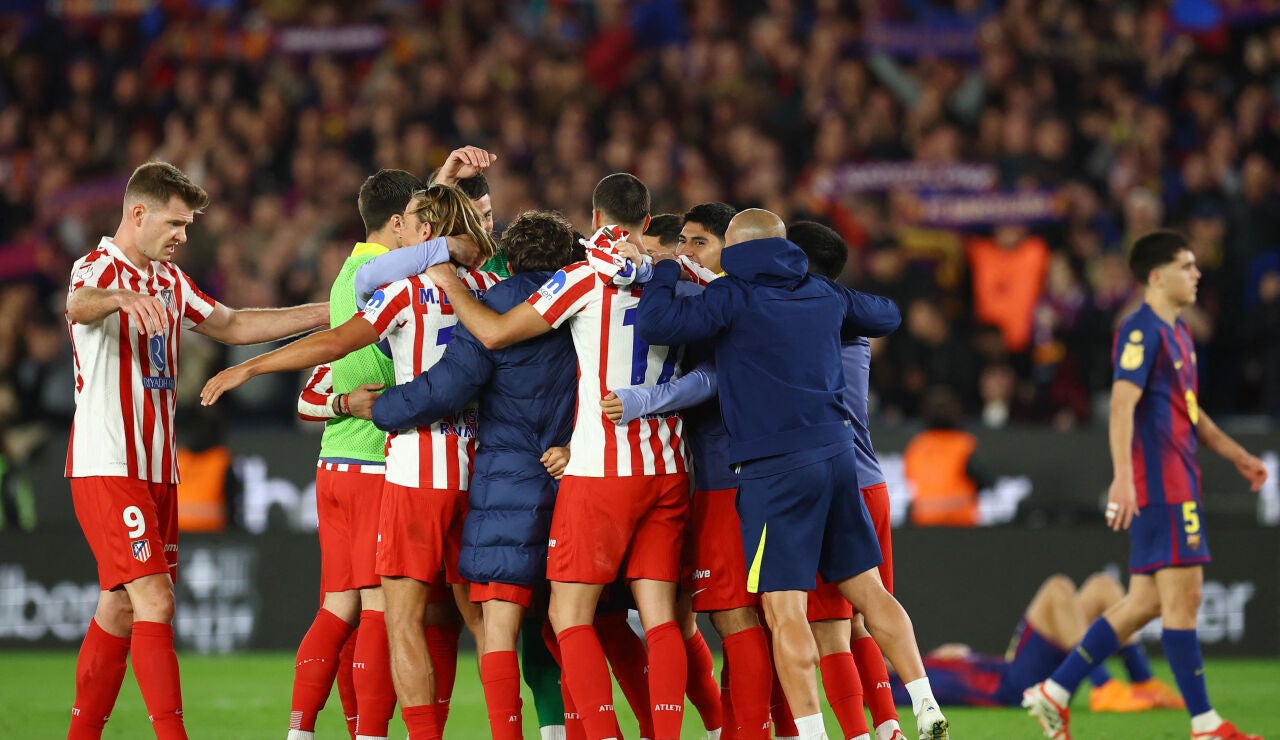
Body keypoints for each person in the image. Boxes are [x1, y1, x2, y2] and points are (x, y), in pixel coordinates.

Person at [634, 208, 949, 740]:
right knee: (870, 596)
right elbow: (887, 316)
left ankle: (810, 733)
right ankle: (924, 702)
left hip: (773, 470)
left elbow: (658, 324)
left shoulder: (733, 295)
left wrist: (665, 269)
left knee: (785, 613)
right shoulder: (824, 294)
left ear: (735, 247)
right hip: (836, 457)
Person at [200, 184, 497, 740]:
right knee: (476, 619)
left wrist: (251, 368)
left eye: (416, 224)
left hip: (403, 469)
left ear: (424, 233)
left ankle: (365, 733)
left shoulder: (393, 290)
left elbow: (334, 346)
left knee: (385, 617)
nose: (405, 234)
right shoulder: (493, 290)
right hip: (476, 469)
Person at [64, 161, 330, 740]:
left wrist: (333, 313)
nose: (185, 235)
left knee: (120, 607)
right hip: (110, 463)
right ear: (138, 213)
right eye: (177, 223)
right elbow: (79, 303)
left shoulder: (167, 279)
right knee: (155, 599)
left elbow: (232, 324)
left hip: (160, 467)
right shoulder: (100, 267)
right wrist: (117, 300)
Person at [421, 173, 691, 740]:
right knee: (662, 616)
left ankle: (603, 734)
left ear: (595, 220)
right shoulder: (683, 278)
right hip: (668, 466)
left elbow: (495, 333)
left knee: (567, 617)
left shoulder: (583, 278)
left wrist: (451, 285)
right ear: (646, 223)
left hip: (600, 470)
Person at [1023, 230, 1268, 740]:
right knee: (1184, 600)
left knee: (1145, 604)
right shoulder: (1141, 330)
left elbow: (1192, 417)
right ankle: (1205, 725)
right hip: (1161, 484)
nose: (1196, 274)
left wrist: (1239, 455)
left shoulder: (1179, 334)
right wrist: (1122, 477)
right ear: (1156, 276)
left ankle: (1055, 691)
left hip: (1182, 479)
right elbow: (1120, 404)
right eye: (1186, 266)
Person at [346, 210, 580, 740]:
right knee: (569, 620)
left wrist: (378, 410)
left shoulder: (491, 302)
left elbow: (445, 389)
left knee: (498, 628)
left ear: (511, 258)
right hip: (578, 476)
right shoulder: (587, 300)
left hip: (505, 480)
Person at [604, 202, 774, 740]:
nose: (686, 254)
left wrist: (642, 400)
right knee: (704, 616)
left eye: (699, 243)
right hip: (716, 473)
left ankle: (747, 729)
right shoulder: (740, 293)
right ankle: (735, 726)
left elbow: (710, 378)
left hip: (728, 474)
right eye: (684, 244)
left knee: (735, 616)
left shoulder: (726, 296)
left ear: (732, 247)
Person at [286, 167, 424, 740]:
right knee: (378, 609)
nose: (425, 231)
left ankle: (300, 731)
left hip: (332, 467)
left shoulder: (346, 279)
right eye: (419, 219)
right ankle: (370, 733)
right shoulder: (382, 285)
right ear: (397, 224)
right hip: (372, 467)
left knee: (336, 608)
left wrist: (340, 402)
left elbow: (309, 398)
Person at [790, 220, 906, 740]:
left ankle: (861, 734)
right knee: (864, 619)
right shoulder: (851, 320)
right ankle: (890, 729)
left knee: (829, 630)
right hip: (870, 480)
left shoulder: (792, 322)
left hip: (826, 481)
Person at [894, 572, 1181, 711]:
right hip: (1014, 689)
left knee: (1101, 586)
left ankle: (1143, 681)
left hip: (1012, 671)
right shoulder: (894, 687)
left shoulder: (917, 662)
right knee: (1057, 589)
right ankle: (1103, 686)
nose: (883, 650)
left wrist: (960, 655)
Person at [903, 385, 992, 527]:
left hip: (924, 521)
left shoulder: (917, 445)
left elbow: (908, 480)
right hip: (960, 522)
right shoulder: (964, 444)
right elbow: (984, 481)